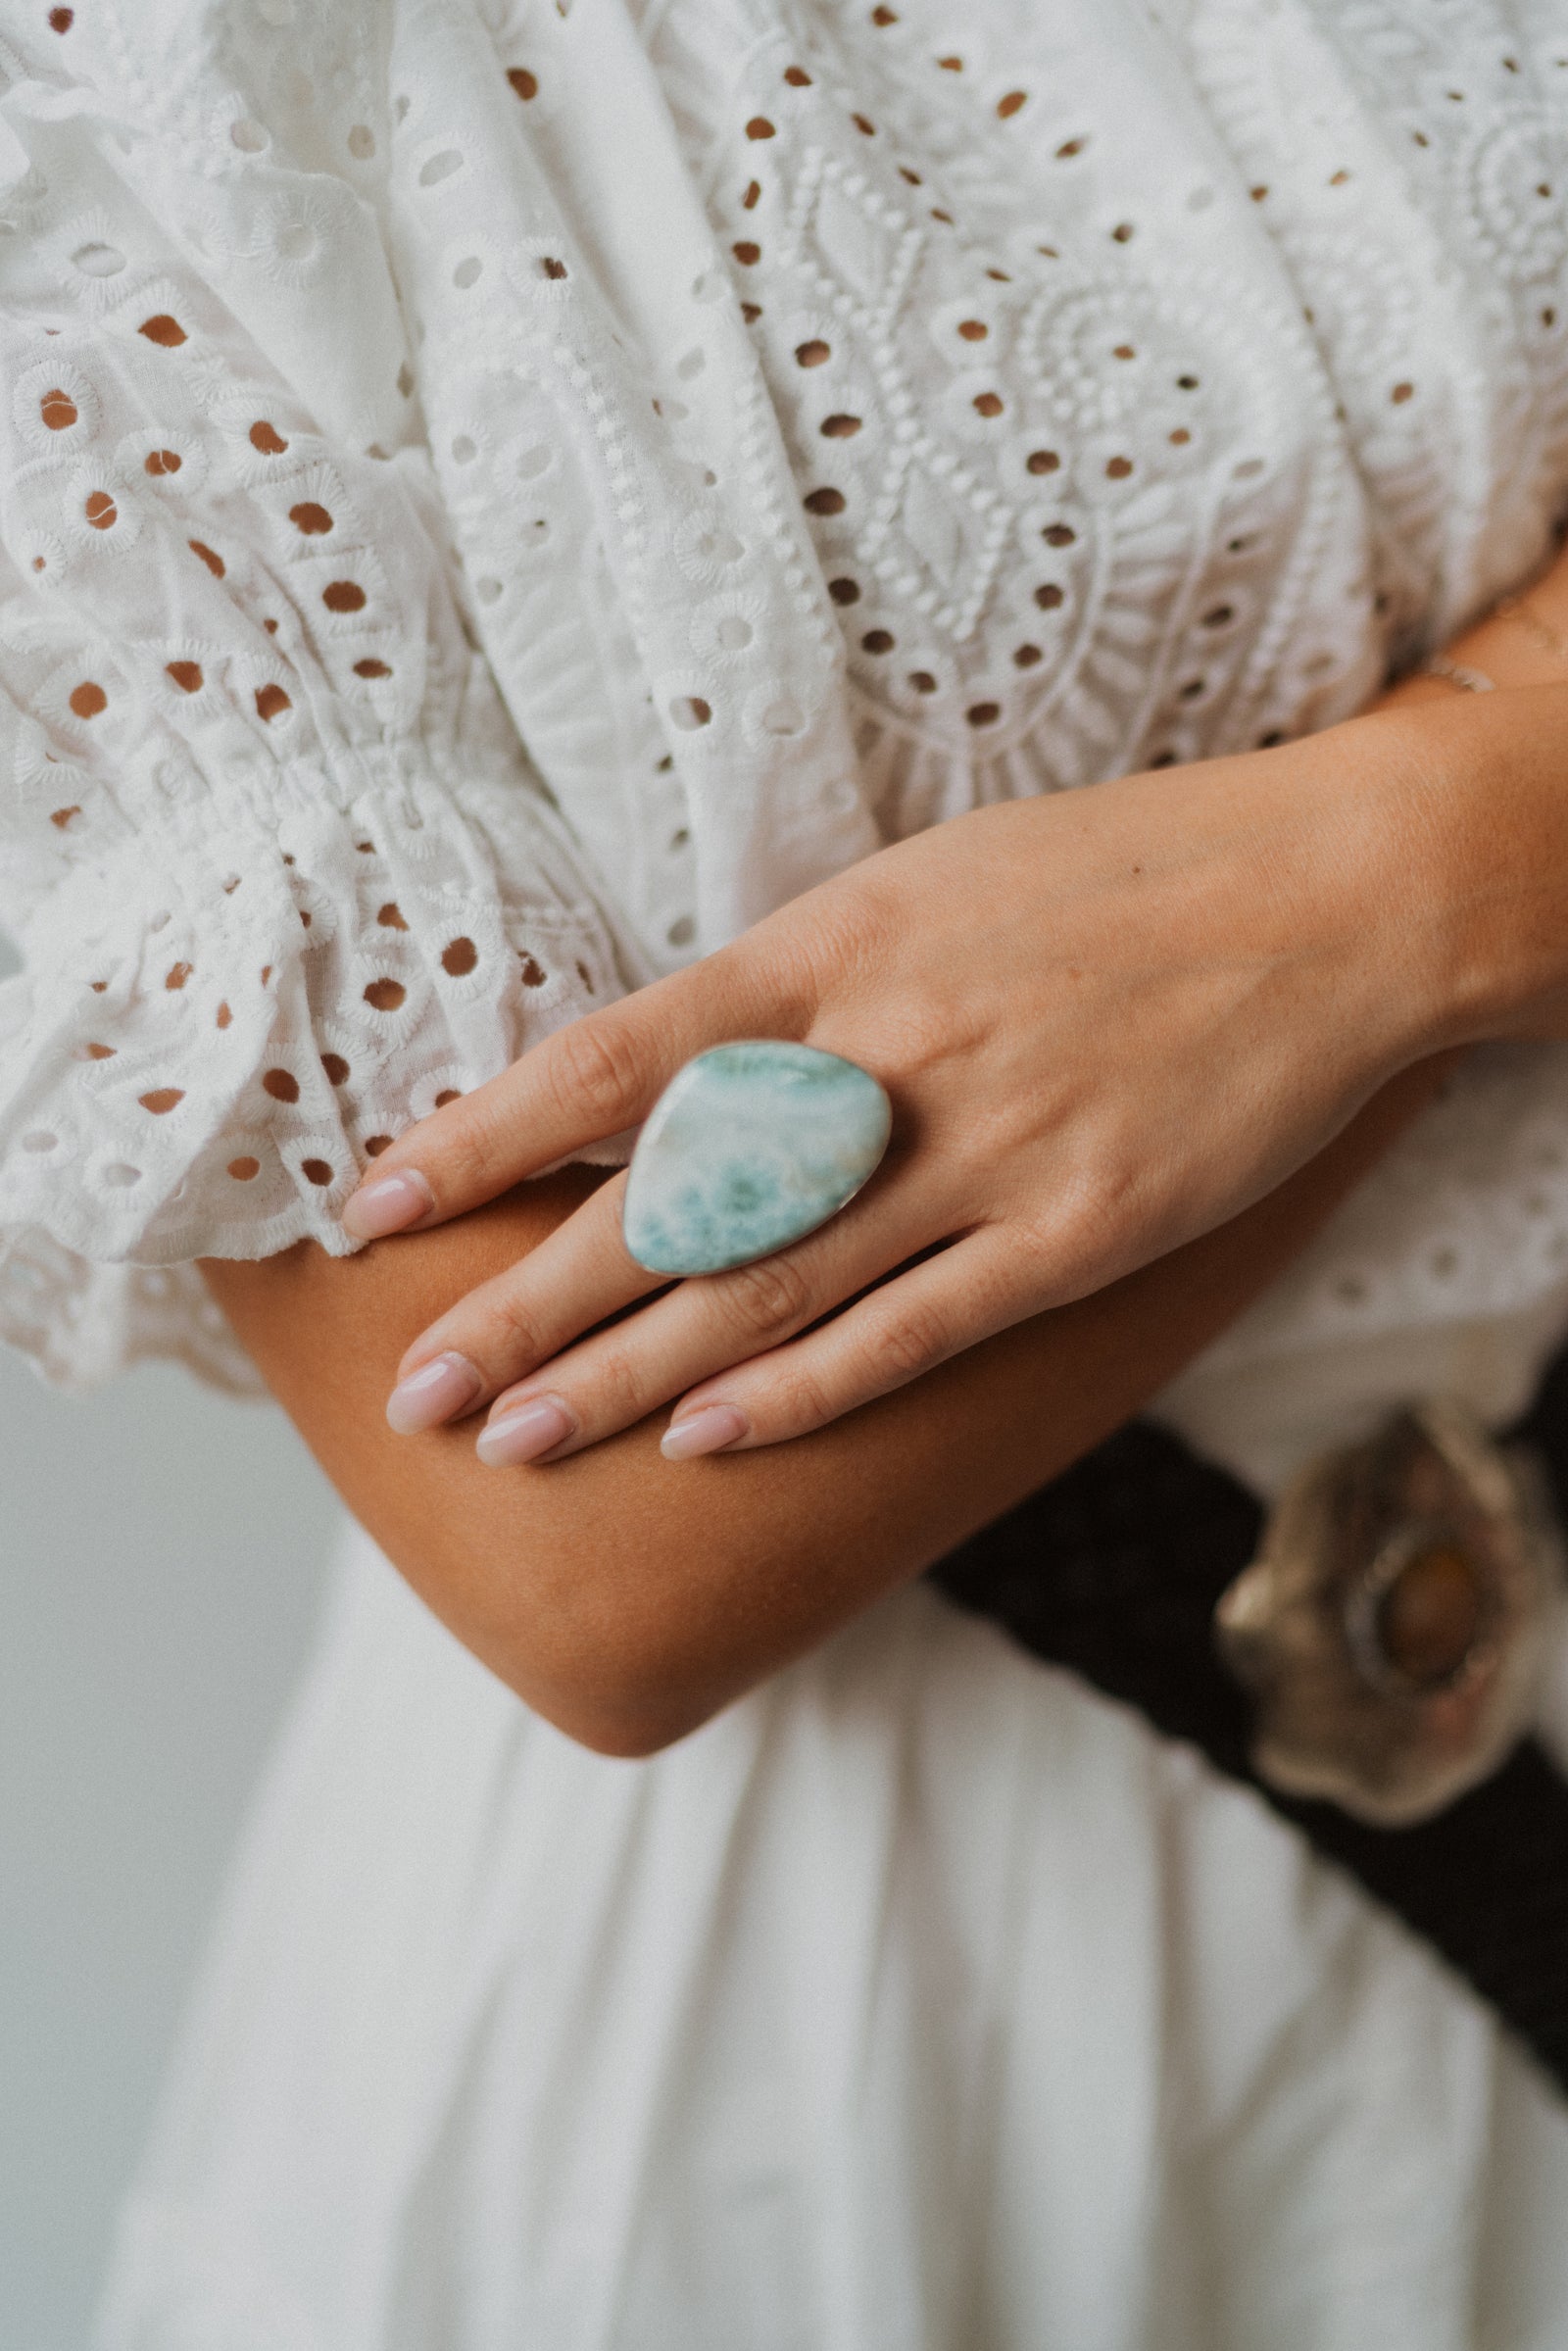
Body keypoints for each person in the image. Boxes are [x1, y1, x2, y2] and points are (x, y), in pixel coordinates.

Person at [3, 0, 1567, 2340]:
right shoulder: (118, 103)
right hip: (791, 2065)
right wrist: (1457, 881)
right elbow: (599, 1549)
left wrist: (1378, 895)